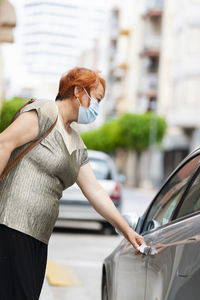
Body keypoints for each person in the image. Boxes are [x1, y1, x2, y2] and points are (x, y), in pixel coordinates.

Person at [0, 67, 145, 299]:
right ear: (78, 91)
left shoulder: (76, 142)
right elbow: (4, 143)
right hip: (11, 225)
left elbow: (95, 190)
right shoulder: (45, 112)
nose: (97, 107)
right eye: (96, 99)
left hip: (38, 236)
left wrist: (126, 229)